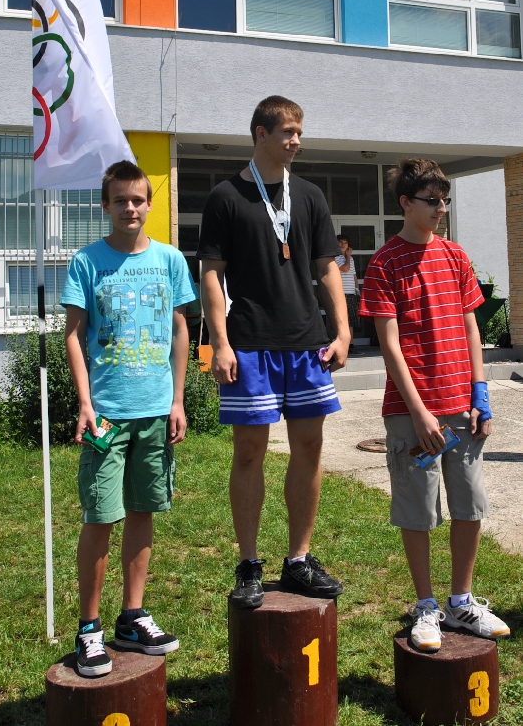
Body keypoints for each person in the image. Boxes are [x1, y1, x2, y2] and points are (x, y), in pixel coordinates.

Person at [197, 95, 350, 608]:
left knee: (309, 447)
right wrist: (219, 343)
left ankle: (298, 560)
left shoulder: (309, 195)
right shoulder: (225, 197)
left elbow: (327, 268)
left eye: (299, 132)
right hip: (249, 345)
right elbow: (211, 275)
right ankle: (248, 565)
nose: (296, 141)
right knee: (249, 453)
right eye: (287, 132)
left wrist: (342, 331)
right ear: (260, 134)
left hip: (306, 343)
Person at [359, 158, 510, 653]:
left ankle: (461, 602)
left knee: (470, 504)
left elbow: (471, 328)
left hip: (462, 407)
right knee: (418, 510)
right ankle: (426, 607)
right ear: (406, 203)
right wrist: (420, 412)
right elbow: (389, 345)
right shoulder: (384, 263)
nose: (441, 209)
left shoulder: (455, 256)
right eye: (431, 201)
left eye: (445, 201)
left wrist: (480, 395)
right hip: (412, 413)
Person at [61, 160, 197, 677]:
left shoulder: (169, 260)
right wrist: (85, 403)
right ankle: (89, 629)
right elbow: (73, 335)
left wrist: (177, 400)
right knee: (100, 516)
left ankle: (132, 617)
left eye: (138, 199)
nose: (130, 208)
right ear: (106, 205)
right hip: (107, 418)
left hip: (156, 412)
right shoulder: (87, 261)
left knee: (143, 511)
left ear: (150, 204)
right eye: (120, 200)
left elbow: (180, 330)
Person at [335, 234, 364, 356]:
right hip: (341, 293)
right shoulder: (335, 257)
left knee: (351, 321)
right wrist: (347, 257)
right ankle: (343, 346)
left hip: (351, 293)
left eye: (345, 242)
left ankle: (351, 345)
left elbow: (354, 275)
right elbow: (345, 269)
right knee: (343, 321)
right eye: (340, 242)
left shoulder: (350, 259)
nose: (343, 245)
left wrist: (357, 291)